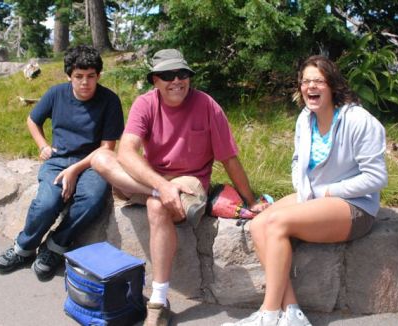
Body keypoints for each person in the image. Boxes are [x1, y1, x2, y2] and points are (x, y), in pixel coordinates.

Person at [91, 48, 267, 326]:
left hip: (188, 181)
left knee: (156, 205)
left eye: (182, 73)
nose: (176, 80)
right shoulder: (145, 104)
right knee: (101, 157)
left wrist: (251, 199)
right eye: (167, 75)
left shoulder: (208, 105)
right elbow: (126, 151)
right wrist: (160, 185)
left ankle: (158, 301)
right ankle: (157, 193)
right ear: (155, 81)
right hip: (151, 179)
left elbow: (229, 159)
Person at [222, 55, 388, 326]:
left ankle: (268, 314)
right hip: (316, 197)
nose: (311, 86)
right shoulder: (305, 119)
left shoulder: (359, 121)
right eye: (305, 81)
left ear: (332, 85)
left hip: (355, 206)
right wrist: (304, 190)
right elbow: (299, 161)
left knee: (276, 222)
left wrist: (326, 192)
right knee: (258, 224)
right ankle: (292, 313)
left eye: (319, 81)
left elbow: (377, 178)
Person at [0, 45, 124, 281]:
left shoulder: (110, 101)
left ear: (98, 76)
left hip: (94, 162)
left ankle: (55, 246)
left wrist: (75, 170)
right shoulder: (56, 94)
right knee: (47, 202)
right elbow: (33, 120)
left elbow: (107, 149)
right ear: (69, 76)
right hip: (58, 159)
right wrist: (43, 145)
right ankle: (23, 248)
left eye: (91, 76)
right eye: (79, 77)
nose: (85, 82)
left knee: (92, 201)